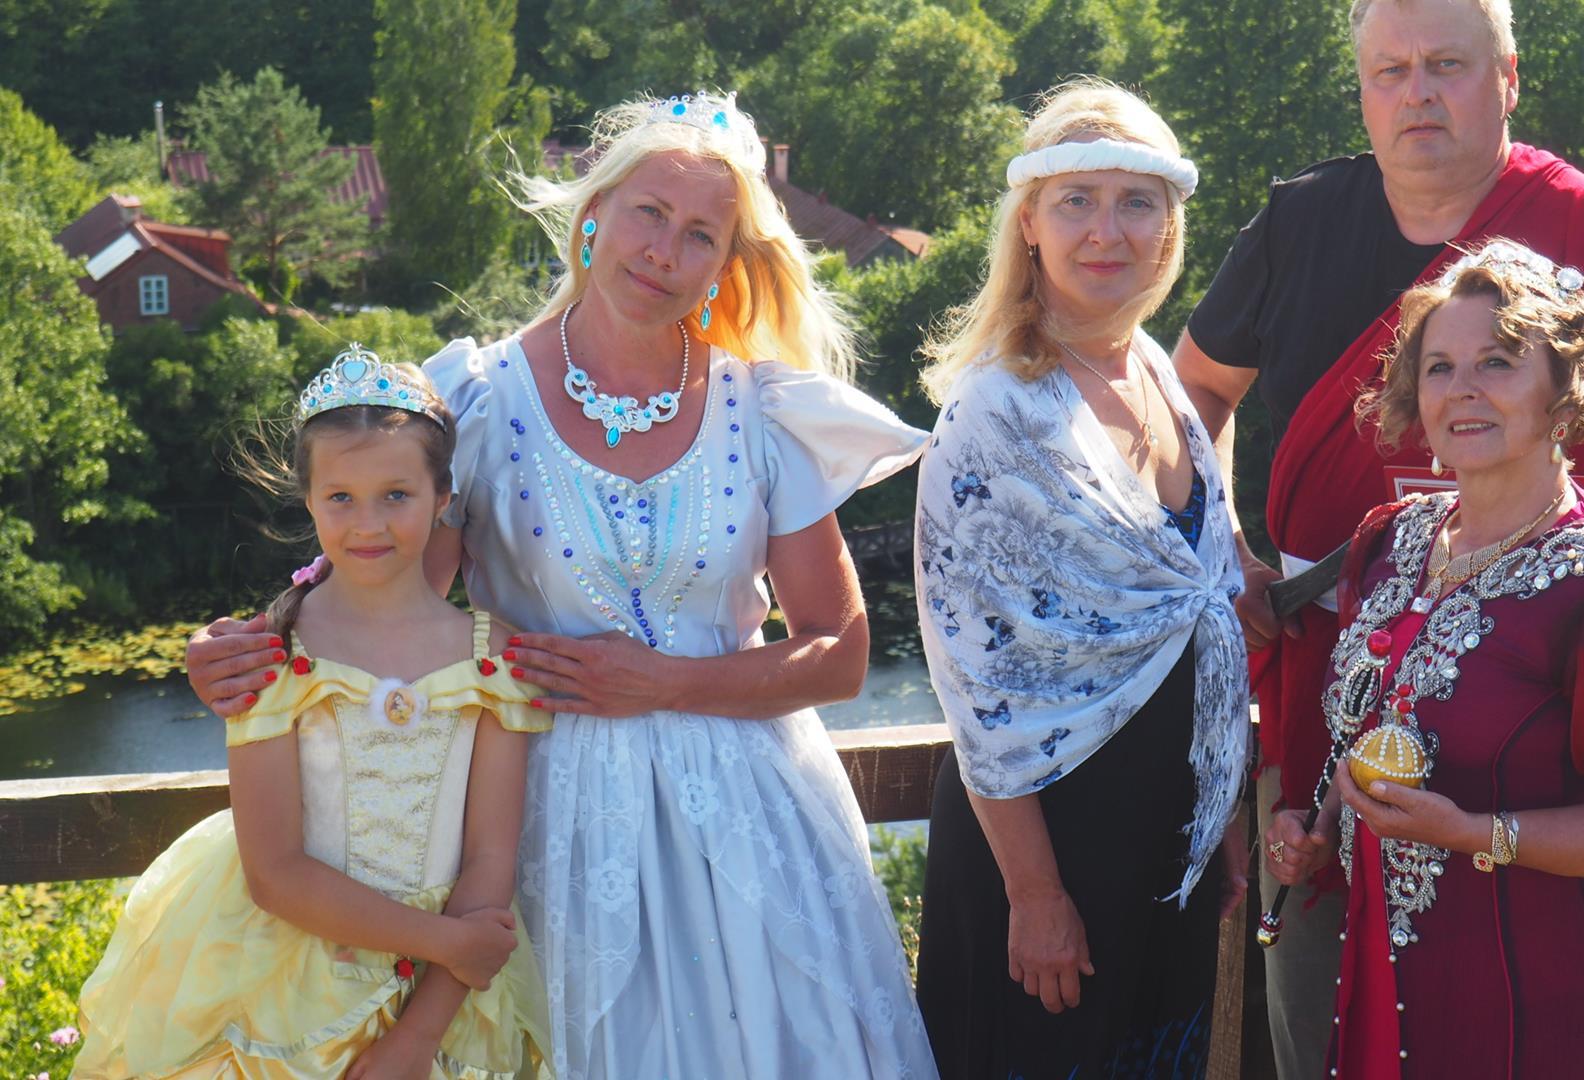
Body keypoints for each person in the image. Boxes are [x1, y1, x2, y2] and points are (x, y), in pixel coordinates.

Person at [184, 92, 936, 1077]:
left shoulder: (765, 412)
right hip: (540, 818)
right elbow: (383, 604)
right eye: (648, 213)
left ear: (724, 264)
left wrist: (668, 683)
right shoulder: (476, 399)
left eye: (700, 235)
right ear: (594, 216)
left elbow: (841, 657)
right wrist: (253, 649)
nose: (664, 251)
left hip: (754, 828)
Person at [1172, 0, 1584, 1071]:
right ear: (1362, 92)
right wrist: (1223, 550)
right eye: (1390, 70)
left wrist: (1582, 569)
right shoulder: (1300, 223)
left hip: (1538, 706)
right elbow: (1189, 398)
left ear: (1509, 78)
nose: (1417, 93)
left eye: (1447, 65)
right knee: (1324, 1005)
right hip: (1331, 679)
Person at [1264, 240, 1584, 1078]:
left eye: (1498, 363)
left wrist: (1475, 835)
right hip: (1386, 968)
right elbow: (1376, 719)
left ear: (1564, 392)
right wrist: (1323, 825)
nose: (1462, 389)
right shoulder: (1389, 541)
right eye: (1439, 367)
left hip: (1543, 994)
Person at [75, 348, 550, 1077]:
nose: (369, 524)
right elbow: (275, 874)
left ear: (443, 496)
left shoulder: (492, 663)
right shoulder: (274, 657)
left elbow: (490, 860)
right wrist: (448, 942)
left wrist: (417, 1037)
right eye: (341, 498)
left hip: (445, 1002)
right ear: (309, 499)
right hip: (287, 984)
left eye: (397, 494)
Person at [912, 79, 1253, 1079]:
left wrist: (1219, 816)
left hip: (1165, 836)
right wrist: (1034, 894)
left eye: (1136, 202)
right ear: (1029, 223)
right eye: (1076, 201)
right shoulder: (994, 413)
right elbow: (973, 680)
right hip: (1048, 846)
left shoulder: (1155, 374)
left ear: (1170, 226)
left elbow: (1197, 611)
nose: (1108, 231)